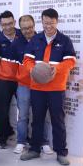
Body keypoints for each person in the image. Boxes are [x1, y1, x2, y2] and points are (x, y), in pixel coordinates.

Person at [21, 8, 76, 166]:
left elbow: (71, 61)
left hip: (56, 88)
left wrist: (56, 69)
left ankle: (61, 152)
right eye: (45, 23)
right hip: (37, 87)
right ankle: (34, 149)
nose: (48, 26)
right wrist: (32, 69)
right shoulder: (35, 39)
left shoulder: (64, 40)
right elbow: (27, 59)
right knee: (37, 119)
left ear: (57, 22)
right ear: (42, 22)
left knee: (58, 120)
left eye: (51, 23)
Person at [12, 15, 52, 155]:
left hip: (40, 85)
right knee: (23, 115)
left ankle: (44, 142)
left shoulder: (42, 40)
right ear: (20, 28)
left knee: (42, 115)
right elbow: (15, 65)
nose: (27, 31)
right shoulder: (16, 43)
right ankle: (21, 141)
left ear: (34, 25)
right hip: (23, 85)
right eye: (24, 28)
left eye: (30, 27)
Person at [0, 10, 19, 148]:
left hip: (21, 80)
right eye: (4, 24)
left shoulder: (22, 35)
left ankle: (27, 137)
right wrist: (5, 72)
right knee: (2, 110)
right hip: (4, 80)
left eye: (10, 23)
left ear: (14, 22)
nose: (7, 27)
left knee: (26, 110)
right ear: (0, 25)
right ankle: (3, 138)